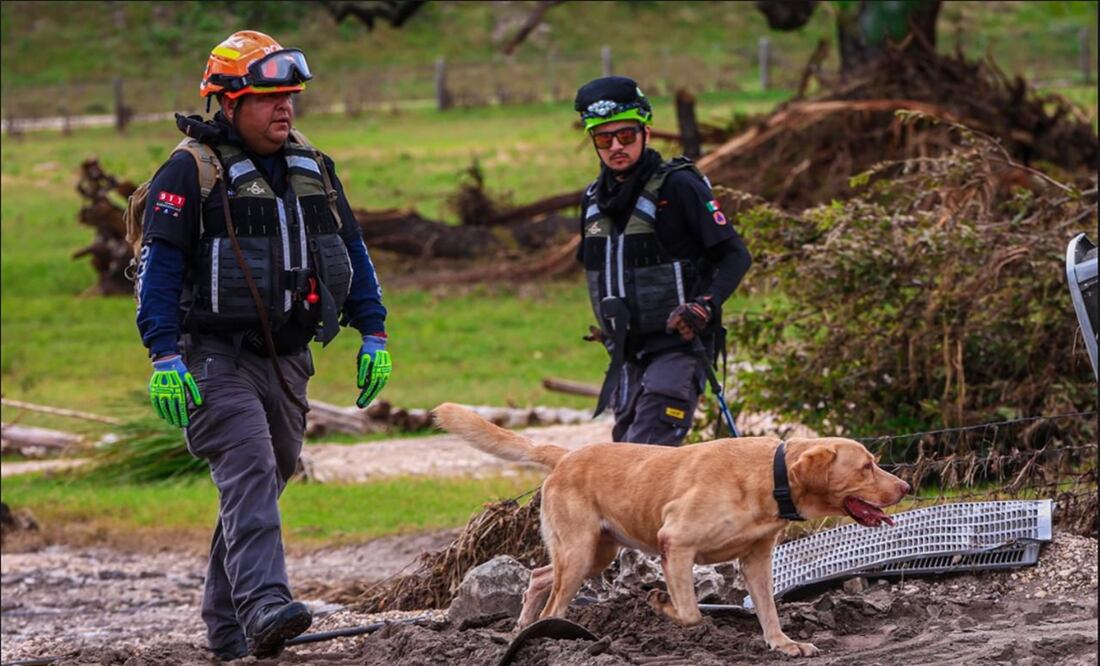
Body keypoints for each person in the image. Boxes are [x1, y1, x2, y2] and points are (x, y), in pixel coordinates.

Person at [135, 30, 391, 660]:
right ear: (228, 104)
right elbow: (160, 268)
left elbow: (351, 250)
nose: (284, 109)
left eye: (290, 97)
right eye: (267, 97)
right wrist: (163, 354)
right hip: (210, 359)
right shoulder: (188, 171)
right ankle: (266, 605)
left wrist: (373, 330)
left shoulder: (313, 166)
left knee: (262, 481)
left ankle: (228, 634)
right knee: (248, 468)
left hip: (288, 361)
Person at [574, 76, 752, 446]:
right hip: (626, 354)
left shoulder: (679, 186)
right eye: (604, 140)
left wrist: (704, 305)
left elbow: (735, 255)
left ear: (646, 132)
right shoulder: (592, 200)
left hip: (679, 347)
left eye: (625, 135)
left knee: (644, 455)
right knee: (623, 456)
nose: (616, 147)